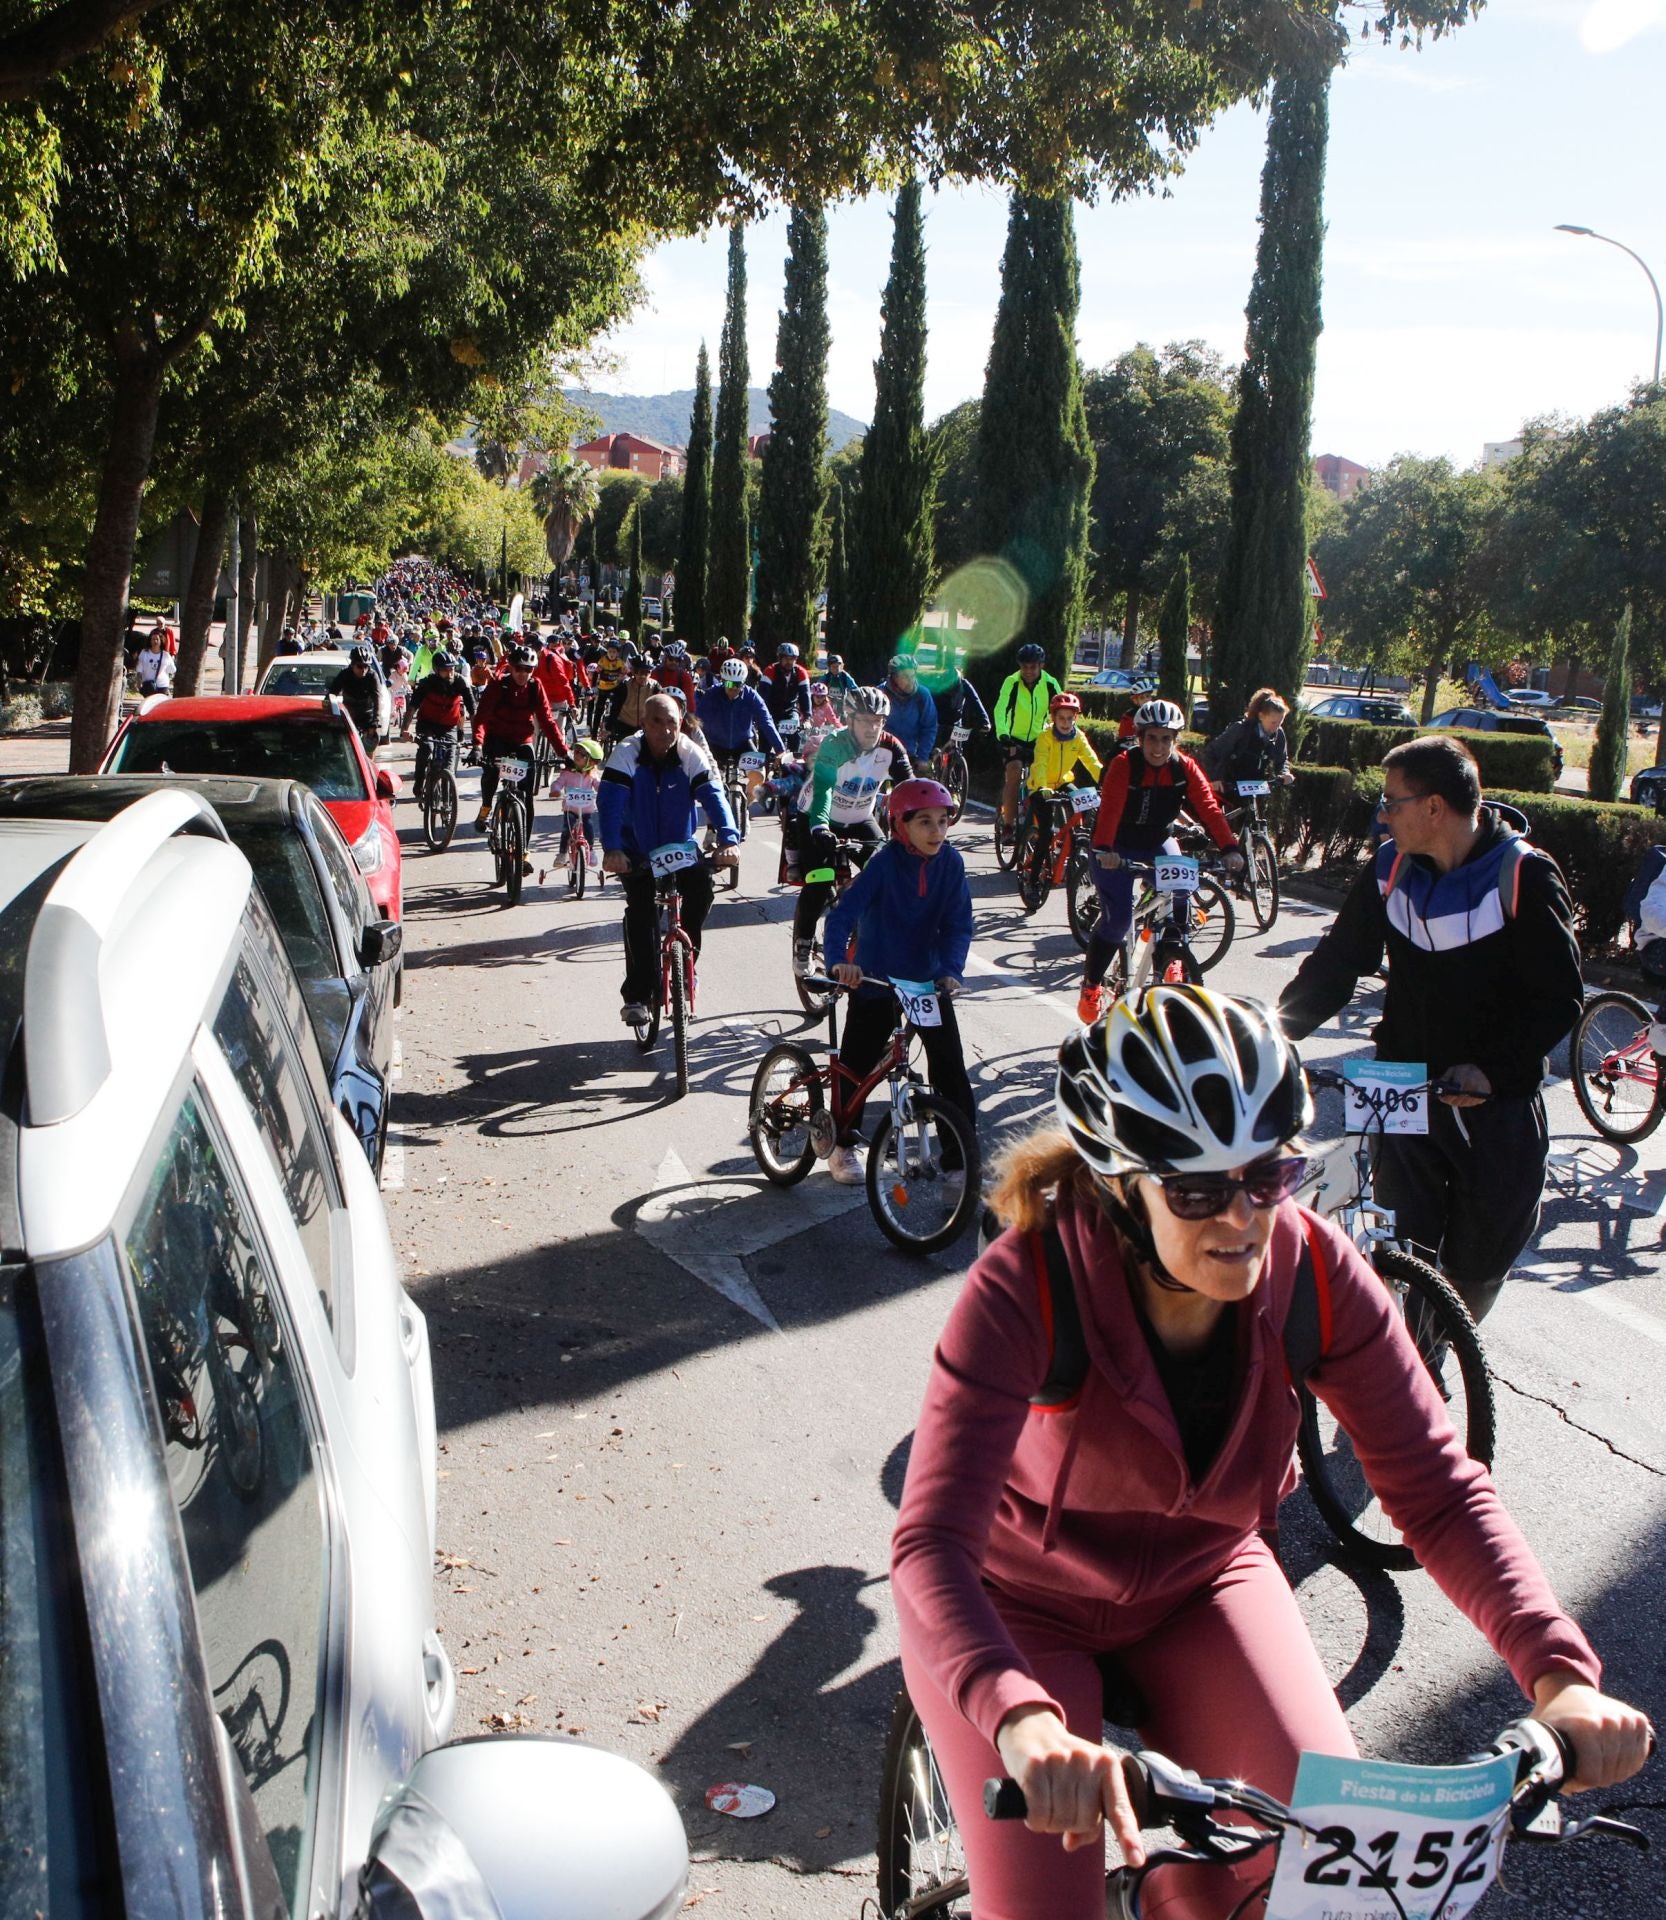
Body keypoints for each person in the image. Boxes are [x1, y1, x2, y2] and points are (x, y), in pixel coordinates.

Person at [892, 986, 1653, 1920]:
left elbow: (1439, 1492)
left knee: (1322, 1883)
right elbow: (931, 1546)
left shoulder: (1313, 1272)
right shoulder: (1028, 1283)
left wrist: (1561, 1678)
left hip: (1204, 1584)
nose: (1243, 1217)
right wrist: (1018, 1716)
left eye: (1267, 1175)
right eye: (1199, 1190)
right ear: (1118, 1187)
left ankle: (1170, 1891)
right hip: (1021, 1609)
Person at [1278, 734, 1582, 1326]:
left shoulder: (1522, 875)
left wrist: (1491, 1070)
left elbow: (1559, 999)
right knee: (1400, 1245)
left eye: (1393, 801)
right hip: (1398, 1083)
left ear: (1435, 807)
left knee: (1481, 1257)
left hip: (1493, 1101)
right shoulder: (1389, 870)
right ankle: (1409, 1360)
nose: (1383, 813)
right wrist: (1270, 1034)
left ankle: (1447, 1339)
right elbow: (1338, 963)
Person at [822, 778, 977, 1185]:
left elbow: (959, 924)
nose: (937, 831)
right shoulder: (884, 863)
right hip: (875, 978)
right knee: (857, 1063)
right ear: (899, 826)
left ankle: (960, 1160)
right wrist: (840, 963)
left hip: (926, 984)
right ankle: (842, 1145)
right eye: (924, 822)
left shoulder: (952, 863)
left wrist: (951, 970)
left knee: (949, 1067)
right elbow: (842, 916)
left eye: (943, 821)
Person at [1078, 700, 1241, 1027]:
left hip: (1156, 841)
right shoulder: (1125, 765)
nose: (1159, 746)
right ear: (1140, 738)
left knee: (1180, 892)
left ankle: (1170, 956)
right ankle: (1092, 987)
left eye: (1167, 739)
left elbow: (1208, 807)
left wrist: (1229, 847)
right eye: (1152, 738)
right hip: (1117, 846)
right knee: (1119, 920)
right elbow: (1109, 809)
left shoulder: (1184, 767)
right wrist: (1106, 849)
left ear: (1175, 740)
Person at [597, 693, 739, 1026]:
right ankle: (637, 994)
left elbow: (714, 798)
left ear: (681, 724)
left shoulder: (691, 754)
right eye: (657, 722)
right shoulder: (626, 753)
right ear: (643, 724)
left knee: (702, 890)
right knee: (642, 911)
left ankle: (687, 962)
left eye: (672, 722)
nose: (665, 730)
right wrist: (613, 849)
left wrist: (728, 839)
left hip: (680, 848)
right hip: (637, 851)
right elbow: (611, 804)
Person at [794, 687, 914, 974]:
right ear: (849, 719)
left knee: (887, 870)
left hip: (860, 817)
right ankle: (804, 944)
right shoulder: (834, 746)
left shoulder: (891, 748)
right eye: (864, 721)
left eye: (879, 721)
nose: (873, 728)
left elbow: (910, 791)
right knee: (820, 880)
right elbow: (822, 792)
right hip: (817, 816)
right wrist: (820, 826)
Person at [472, 645, 569, 858]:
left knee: (527, 798)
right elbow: (480, 718)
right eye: (518, 668)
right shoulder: (498, 685)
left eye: (528, 669)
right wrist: (477, 746)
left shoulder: (535, 686)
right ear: (511, 668)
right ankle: (486, 808)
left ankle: (523, 848)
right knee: (490, 773)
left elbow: (547, 722)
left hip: (522, 741)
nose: (523, 674)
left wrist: (564, 753)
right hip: (497, 739)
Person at [994, 643, 1064, 827]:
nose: (1028, 671)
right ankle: (1008, 824)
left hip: (1039, 739)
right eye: (1024, 666)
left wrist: (1064, 733)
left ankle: (1036, 823)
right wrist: (1003, 734)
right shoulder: (1012, 682)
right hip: (1012, 738)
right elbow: (1000, 710)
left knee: (1043, 778)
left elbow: (1063, 711)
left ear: (1041, 665)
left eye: (1033, 666)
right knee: (1014, 772)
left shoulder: (1050, 684)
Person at [1201, 687, 1296, 793]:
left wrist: (1284, 773)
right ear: (1261, 716)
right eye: (1273, 722)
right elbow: (1211, 752)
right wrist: (1214, 778)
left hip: (1255, 788)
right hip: (1228, 786)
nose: (1276, 727)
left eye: (1280, 723)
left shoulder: (1279, 734)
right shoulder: (1240, 729)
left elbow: (1282, 760)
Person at [696, 658, 787, 766]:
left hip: (742, 743)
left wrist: (780, 750)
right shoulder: (711, 694)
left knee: (759, 774)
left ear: (744, 683)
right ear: (723, 681)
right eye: (729, 684)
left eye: (738, 685)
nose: (733, 689)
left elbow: (766, 721)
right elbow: (697, 721)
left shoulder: (751, 696)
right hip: (715, 743)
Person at [409, 651, 476, 795]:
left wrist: (477, 740)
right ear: (436, 670)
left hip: (449, 726)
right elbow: (412, 707)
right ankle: (419, 782)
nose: (450, 672)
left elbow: (473, 711)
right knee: (426, 748)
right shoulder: (427, 683)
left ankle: (447, 797)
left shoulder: (461, 682)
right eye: (446, 669)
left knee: (450, 762)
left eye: (452, 668)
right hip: (427, 724)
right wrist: (404, 729)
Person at [553, 737, 606, 866]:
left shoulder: (592, 775)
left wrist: (606, 792)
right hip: (570, 808)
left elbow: (599, 786)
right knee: (567, 829)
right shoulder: (567, 773)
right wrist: (555, 790)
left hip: (586, 809)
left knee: (589, 828)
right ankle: (562, 854)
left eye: (582, 754)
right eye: (576, 751)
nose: (577, 755)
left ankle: (591, 850)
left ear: (591, 762)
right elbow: (558, 783)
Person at [885, 652, 940, 768]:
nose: (910, 680)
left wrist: (923, 757)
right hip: (883, 753)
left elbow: (929, 727)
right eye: (905, 676)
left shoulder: (922, 695)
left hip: (910, 755)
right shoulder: (880, 693)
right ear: (894, 677)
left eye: (913, 675)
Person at [328, 647, 383, 748]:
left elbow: (377, 699)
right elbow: (331, 694)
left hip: (367, 714)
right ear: (352, 665)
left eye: (366, 666)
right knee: (337, 741)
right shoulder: (344, 674)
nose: (363, 670)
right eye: (360, 666)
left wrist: (375, 722)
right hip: (349, 714)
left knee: (371, 742)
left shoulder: (372, 676)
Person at [760, 642, 811, 746]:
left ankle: (793, 758)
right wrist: (761, 716)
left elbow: (805, 695)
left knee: (795, 733)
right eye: (786, 658)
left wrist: (807, 718)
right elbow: (763, 696)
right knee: (765, 738)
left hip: (790, 710)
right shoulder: (770, 671)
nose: (789, 662)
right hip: (771, 710)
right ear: (780, 658)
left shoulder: (801, 672)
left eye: (792, 659)